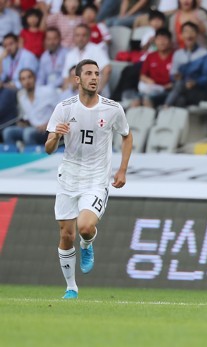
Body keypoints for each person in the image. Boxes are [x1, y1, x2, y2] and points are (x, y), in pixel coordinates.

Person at [44, 59, 133, 299]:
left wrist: (122, 169)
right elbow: (49, 148)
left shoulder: (112, 108)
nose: (95, 77)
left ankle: (87, 245)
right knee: (66, 235)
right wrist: (55, 137)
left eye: (97, 74)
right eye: (89, 74)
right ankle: (71, 287)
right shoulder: (65, 107)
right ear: (77, 79)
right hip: (68, 177)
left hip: (96, 179)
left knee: (84, 227)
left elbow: (126, 136)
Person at [2, 69, 58, 146]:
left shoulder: (47, 91)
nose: (27, 81)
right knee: (8, 132)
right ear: (20, 82)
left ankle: (34, 156)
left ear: (34, 78)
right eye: (23, 79)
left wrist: (49, 123)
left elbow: (62, 111)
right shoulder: (22, 97)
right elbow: (27, 117)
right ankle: (14, 157)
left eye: (29, 77)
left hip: (47, 129)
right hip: (32, 128)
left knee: (28, 133)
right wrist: (23, 123)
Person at [166, 21, 207, 107]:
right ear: (181, 35)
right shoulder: (177, 54)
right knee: (180, 100)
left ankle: (166, 105)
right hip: (182, 91)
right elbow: (172, 75)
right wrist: (175, 77)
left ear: (197, 35)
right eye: (186, 31)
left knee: (180, 87)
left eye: (192, 31)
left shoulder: (204, 54)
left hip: (198, 91)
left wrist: (195, 83)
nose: (189, 34)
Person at [62, 24, 111, 97]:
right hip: (75, 94)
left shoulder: (96, 49)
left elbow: (108, 69)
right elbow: (66, 79)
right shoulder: (70, 54)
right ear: (74, 37)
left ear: (89, 37)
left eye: (83, 35)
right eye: (77, 35)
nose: (80, 38)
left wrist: (97, 91)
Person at [131, 28, 174, 108]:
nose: (161, 42)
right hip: (152, 88)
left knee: (147, 99)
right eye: (159, 39)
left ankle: (151, 119)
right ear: (155, 41)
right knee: (135, 101)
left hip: (166, 91)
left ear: (170, 41)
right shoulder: (151, 56)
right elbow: (142, 76)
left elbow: (178, 79)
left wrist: (169, 85)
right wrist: (149, 81)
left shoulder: (175, 56)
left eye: (164, 39)